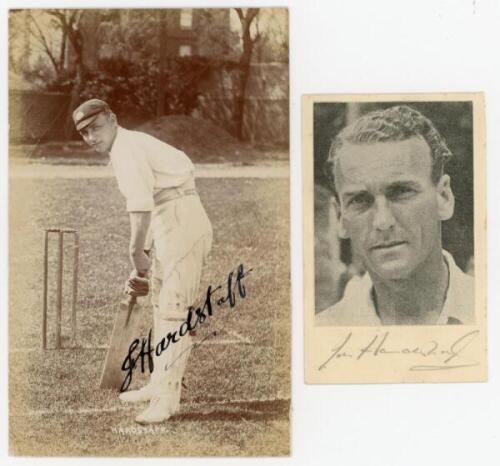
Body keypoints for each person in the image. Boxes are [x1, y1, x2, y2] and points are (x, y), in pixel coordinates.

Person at [73, 99, 212, 423]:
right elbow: (151, 201)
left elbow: (141, 204)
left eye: (96, 127)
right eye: (84, 133)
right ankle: (158, 384)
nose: (91, 136)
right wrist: (147, 250)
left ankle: (167, 401)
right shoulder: (128, 145)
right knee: (161, 312)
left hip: (181, 222)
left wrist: (136, 251)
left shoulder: (125, 148)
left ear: (113, 119)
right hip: (170, 221)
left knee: (173, 313)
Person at [316, 105, 474, 326]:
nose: (382, 221)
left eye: (401, 193)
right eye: (360, 200)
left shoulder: (489, 311)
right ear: (341, 217)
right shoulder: (323, 333)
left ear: (444, 198)